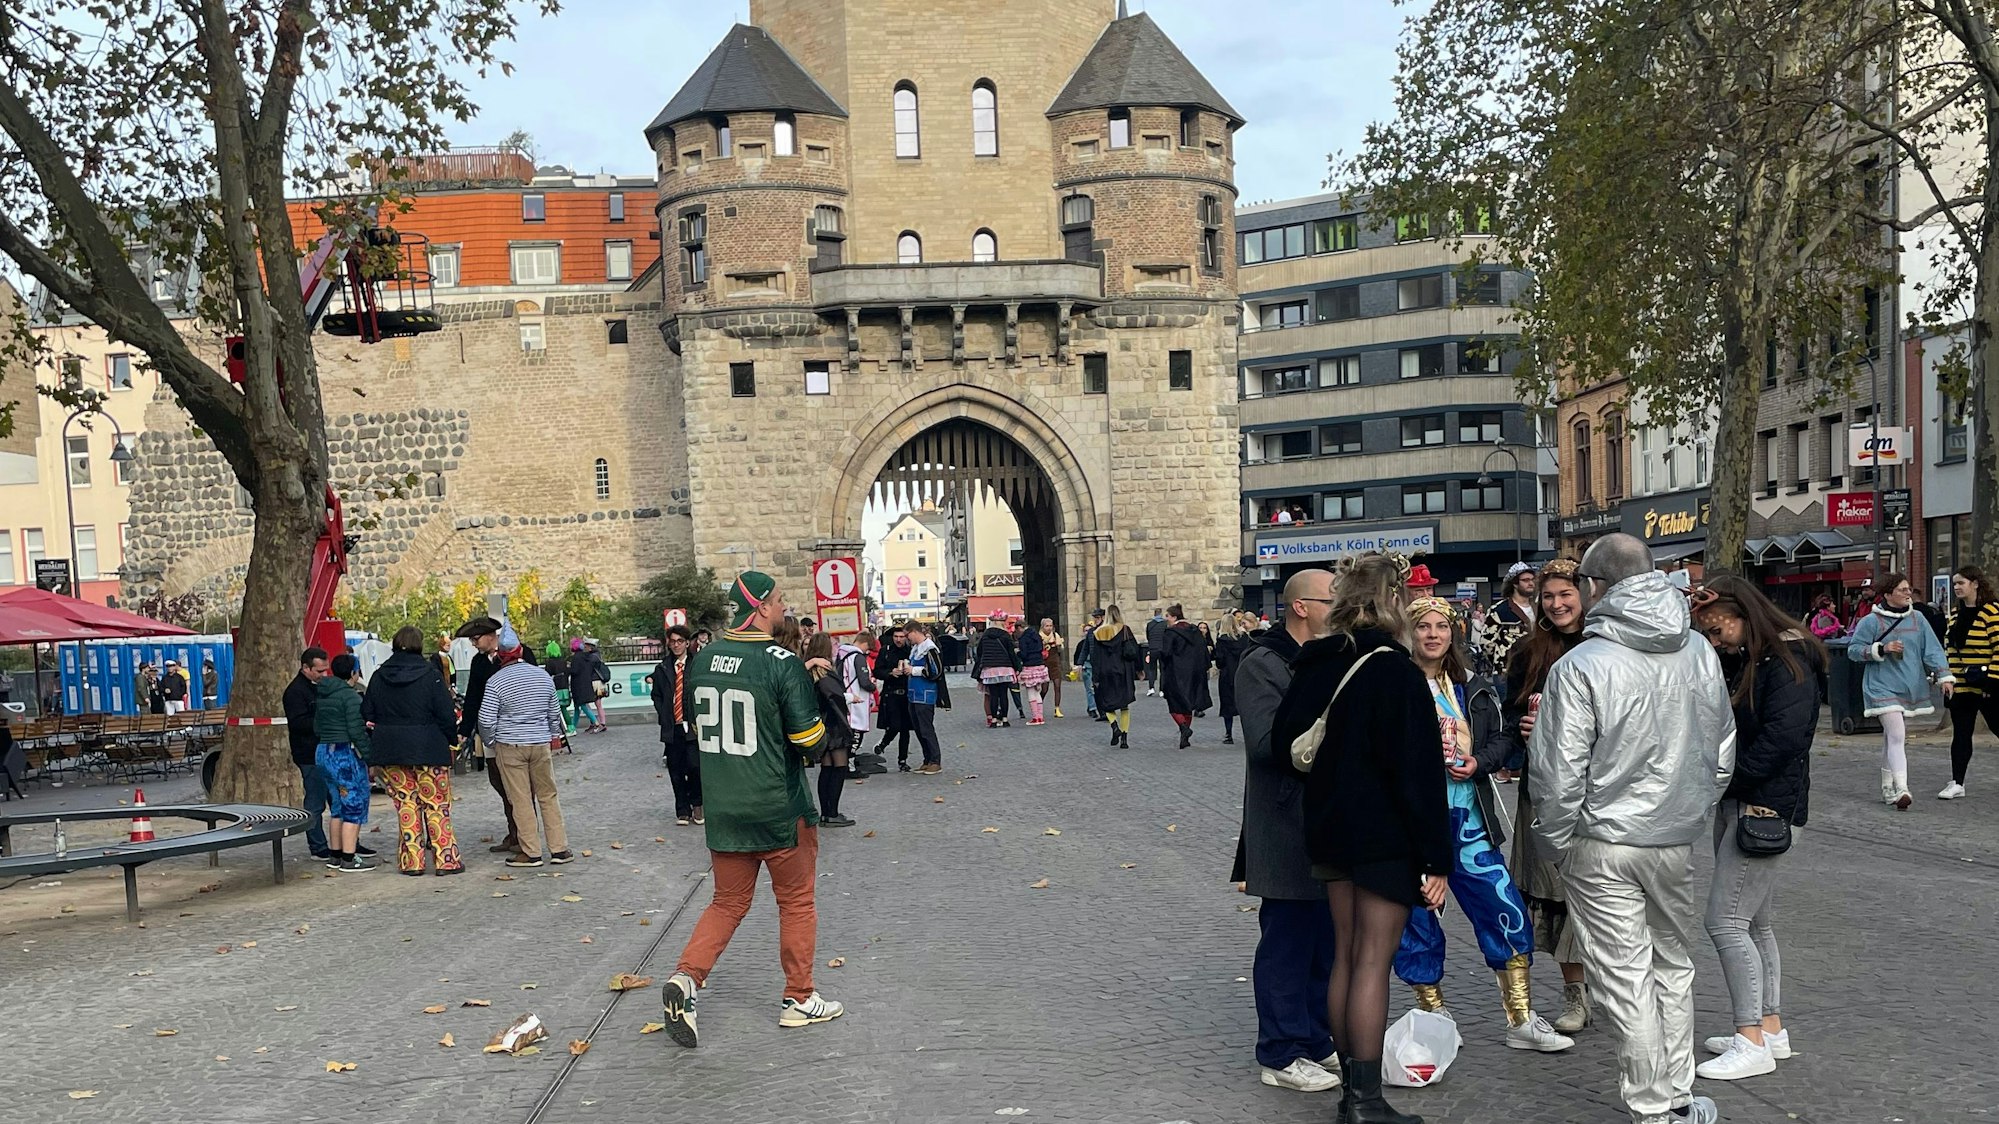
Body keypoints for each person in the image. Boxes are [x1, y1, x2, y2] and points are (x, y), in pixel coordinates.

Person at [1531, 533, 1736, 1124]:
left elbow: (1557, 774)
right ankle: (1675, 1095)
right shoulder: (1697, 650)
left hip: (1602, 841)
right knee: (1673, 965)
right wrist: (1690, 811)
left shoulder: (1582, 665)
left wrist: (1556, 845)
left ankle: (1651, 1106)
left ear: (1596, 587)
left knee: (1625, 976)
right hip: (1672, 840)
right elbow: (1722, 746)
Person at [1274, 554, 1451, 1124]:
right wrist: (1436, 859)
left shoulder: (1317, 662)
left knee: (1347, 957)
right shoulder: (1394, 670)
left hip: (1329, 829)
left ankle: (1353, 1089)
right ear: (1393, 600)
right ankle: (1365, 1102)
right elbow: (1418, 773)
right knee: (1373, 960)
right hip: (1384, 834)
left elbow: (1285, 746)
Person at [659, 571, 842, 1047]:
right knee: (797, 902)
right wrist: (826, 719)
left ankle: (687, 978)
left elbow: (697, 728)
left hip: (725, 807)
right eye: (779, 601)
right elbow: (808, 742)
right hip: (779, 806)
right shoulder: (781, 661)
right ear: (760, 606)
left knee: (727, 902)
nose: (784, 608)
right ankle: (800, 998)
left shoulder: (700, 661)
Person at [1397, 596, 1573, 1052]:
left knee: (1504, 907)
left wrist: (1477, 763)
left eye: (1441, 626)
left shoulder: (1473, 686)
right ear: (1409, 633)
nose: (1433, 634)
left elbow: (1502, 739)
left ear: (1453, 633)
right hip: (1414, 822)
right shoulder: (1395, 683)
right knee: (1418, 921)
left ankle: (1520, 1019)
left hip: (1468, 817)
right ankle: (1434, 1019)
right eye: (1423, 627)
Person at [1688, 576, 1819, 1081]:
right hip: (1756, 802)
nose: (1716, 641)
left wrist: (1723, 782)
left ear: (1744, 613)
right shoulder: (1759, 657)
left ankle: (1750, 1039)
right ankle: (1769, 1028)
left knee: (1726, 922)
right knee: (1756, 924)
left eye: (1718, 630)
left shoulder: (1786, 662)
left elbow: (1782, 741)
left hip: (1763, 806)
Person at [1234, 568, 1342, 1093]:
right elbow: (1264, 743)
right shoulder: (1264, 662)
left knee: (1327, 939)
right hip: (1283, 824)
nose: (1339, 607)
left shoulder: (1329, 656)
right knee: (1287, 942)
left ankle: (1317, 1039)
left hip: (1328, 819)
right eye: (1330, 599)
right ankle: (1280, 1051)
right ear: (1301, 607)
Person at [1499, 558, 1592, 1034]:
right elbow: (1511, 723)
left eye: (1565, 595)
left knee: (1601, 889)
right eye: (1549, 597)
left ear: (1585, 595)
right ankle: (1575, 991)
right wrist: (1523, 729)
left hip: (1601, 788)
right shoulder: (1528, 652)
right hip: (1545, 788)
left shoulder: (1607, 645)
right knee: (1556, 893)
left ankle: (1616, 985)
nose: (1557, 604)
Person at [363, 625, 464, 876]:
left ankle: (412, 862)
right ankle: (445, 860)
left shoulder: (379, 676)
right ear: (419, 645)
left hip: (391, 749)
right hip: (429, 747)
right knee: (436, 804)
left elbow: (366, 713)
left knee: (406, 804)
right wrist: (452, 740)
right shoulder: (431, 675)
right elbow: (445, 714)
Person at [1847, 572, 1954, 809]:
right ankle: (1903, 789)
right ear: (1887, 594)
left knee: (1890, 738)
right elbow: (1853, 650)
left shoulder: (1918, 619)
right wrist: (1881, 649)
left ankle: (1888, 786)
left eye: (1908, 589)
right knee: (1897, 734)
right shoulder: (1871, 622)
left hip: (1908, 685)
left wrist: (1944, 675)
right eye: (1903, 590)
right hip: (1880, 685)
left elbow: (1932, 650)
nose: (1908, 593)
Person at [478, 626, 573, 868]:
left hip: (510, 744)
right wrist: (552, 735)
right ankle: (559, 849)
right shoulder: (542, 677)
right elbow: (554, 712)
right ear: (520, 651)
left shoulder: (495, 681)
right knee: (548, 796)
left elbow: (486, 719)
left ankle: (531, 852)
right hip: (540, 744)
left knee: (520, 799)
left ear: (500, 655)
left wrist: (491, 741)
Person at [456, 617, 520, 855]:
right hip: (492, 731)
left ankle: (523, 834)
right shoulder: (478, 662)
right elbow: (473, 697)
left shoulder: (519, 654)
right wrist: (465, 730)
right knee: (499, 782)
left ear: (491, 635)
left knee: (520, 785)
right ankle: (514, 832)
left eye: (476, 639)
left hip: (518, 731)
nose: (473, 644)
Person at [313, 652, 376, 872]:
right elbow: (356, 732)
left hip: (323, 751)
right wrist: (370, 757)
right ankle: (350, 859)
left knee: (337, 806)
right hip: (343, 753)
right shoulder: (350, 697)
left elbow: (317, 728)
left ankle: (336, 855)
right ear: (353, 672)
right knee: (354, 803)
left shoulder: (323, 693)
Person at [1941, 566, 1999, 799]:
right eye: (1954, 583)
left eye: (1961, 583)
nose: (1956, 587)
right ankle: (1957, 782)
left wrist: (1993, 680)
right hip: (1963, 686)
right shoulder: (1955, 614)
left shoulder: (1992, 611)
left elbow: (1998, 647)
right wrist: (1952, 678)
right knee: (1961, 734)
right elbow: (1951, 648)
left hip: (1989, 685)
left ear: (1975, 584)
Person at [648, 626, 702, 826]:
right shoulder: (662, 668)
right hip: (672, 726)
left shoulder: (697, 665)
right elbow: (657, 695)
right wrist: (664, 713)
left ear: (687, 643)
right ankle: (682, 809)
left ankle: (698, 803)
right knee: (676, 769)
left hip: (694, 725)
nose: (676, 645)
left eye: (680, 641)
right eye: (673, 641)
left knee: (695, 766)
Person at [283, 648, 334, 859]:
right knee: (315, 801)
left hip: (328, 751)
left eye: (325, 671)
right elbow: (298, 724)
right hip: (309, 753)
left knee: (337, 799)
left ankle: (348, 843)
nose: (323, 675)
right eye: (319, 671)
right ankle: (318, 846)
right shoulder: (295, 692)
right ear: (306, 668)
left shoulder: (323, 687)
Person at [803, 632, 857, 828]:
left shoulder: (811, 671)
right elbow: (834, 698)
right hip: (833, 725)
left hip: (821, 724)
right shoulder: (824, 671)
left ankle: (826, 812)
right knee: (839, 767)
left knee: (827, 768)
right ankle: (831, 812)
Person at [1092, 606, 1144, 748]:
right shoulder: (1125, 630)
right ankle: (1125, 739)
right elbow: (1135, 650)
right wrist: (1139, 669)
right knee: (1124, 704)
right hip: (1123, 669)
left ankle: (1115, 727)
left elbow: (1095, 657)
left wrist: (1095, 677)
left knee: (1107, 702)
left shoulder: (1098, 633)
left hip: (1105, 671)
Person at [1158, 604, 1207, 748]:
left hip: (1175, 672)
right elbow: (1202, 650)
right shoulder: (1194, 630)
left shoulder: (1171, 633)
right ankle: (1184, 737)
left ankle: (1184, 727)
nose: (1166, 619)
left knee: (1173, 703)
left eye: (1167, 616)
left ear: (1174, 617)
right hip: (1194, 672)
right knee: (1188, 704)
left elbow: (1166, 653)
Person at [904, 621, 950, 773]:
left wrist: (914, 670)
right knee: (918, 729)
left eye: (907, 635)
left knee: (926, 729)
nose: (906, 638)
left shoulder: (930, 649)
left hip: (925, 695)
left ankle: (935, 760)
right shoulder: (916, 649)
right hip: (914, 695)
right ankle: (927, 759)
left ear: (914, 632)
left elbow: (935, 671)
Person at [872, 624, 914, 770]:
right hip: (892, 694)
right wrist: (890, 673)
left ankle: (902, 760)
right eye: (896, 636)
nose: (898, 639)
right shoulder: (886, 651)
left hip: (907, 693)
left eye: (901, 637)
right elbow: (877, 671)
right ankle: (883, 743)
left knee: (905, 729)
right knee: (894, 725)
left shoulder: (911, 650)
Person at [972, 613, 1020, 728]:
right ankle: (1004, 719)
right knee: (1003, 694)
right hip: (1005, 667)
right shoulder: (1005, 635)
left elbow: (979, 652)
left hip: (990, 669)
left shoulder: (985, 635)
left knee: (993, 695)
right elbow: (1011, 653)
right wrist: (1017, 667)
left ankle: (993, 720)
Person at [1212, 614, 1251, 745]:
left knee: (1227, 704)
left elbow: (1220, 661)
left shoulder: (1221, 640)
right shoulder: (1244, 638)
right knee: (1244, 705)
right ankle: (1248, 732)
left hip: (1227, 675)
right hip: (1242, 673)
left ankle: (1228, 733)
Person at [841, 631, 879, 761]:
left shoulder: (842, 653)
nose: (867, 652)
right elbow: (864, 682)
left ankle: (846, 762)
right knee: (856, 732)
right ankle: (850, 765)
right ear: (864, 643)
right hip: (857, 700)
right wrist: (873, 686)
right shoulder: (858, 657)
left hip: (845, 697)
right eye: (867, 648)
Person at [571, 638, 612, 733]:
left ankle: (600, 723)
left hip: (594, 681)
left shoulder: (591, 657)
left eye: (585, 646)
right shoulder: (595, 656)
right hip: (596, 681)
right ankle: (598, 723)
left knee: (596, 703)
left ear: (590, 647)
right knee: (595, 704)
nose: (583, 648)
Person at [1015, 619, 1048, 724]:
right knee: (1038, 692)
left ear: (1020, 627)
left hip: (1029, 666)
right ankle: (1040, 717)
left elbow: (1024, 654)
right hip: (1040, 665)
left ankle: (1035, 717)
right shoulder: (1036, 635)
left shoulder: (1024, 638)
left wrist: (1018, 653)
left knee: (1031, 692)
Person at [1074, 608, 1105, 719]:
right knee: (1093, 688)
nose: (1096, 620)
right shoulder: (1092, 633)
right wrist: (1079, 663)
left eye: (1097, 618)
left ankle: (1104, 709)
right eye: (1094, 618)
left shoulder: (1108, 630)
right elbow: (1085, 649)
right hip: (1093, 664)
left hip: (1105, 664)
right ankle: (1099, 710)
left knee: (1104, 688)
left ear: (1103, 618)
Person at [544, 641, 578, 735]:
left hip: (556, 688)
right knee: (564, 709)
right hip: (565, 687)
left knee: (554, 710)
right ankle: (570, 727)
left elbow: (547, 676)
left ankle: (559, 729)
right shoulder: (564, 662)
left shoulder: (549, 663)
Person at [1038, 617, 1066, 719]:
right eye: (1047, 626)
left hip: (1055, 663)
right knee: (1044, 688)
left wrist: (1060, 645)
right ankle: (1038, 705)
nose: (1049, 628)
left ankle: (1057, 708)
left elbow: (1060, 649)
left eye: (1050, 626)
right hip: (1044, 663)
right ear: (1042, 627)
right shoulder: (1039, 637)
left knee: (1057, 686)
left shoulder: (1055, 635)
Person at [1144, 607, 1168, 696]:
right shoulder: (1165, 624)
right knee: (1163, 669)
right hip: (1162, 649)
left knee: (1151, 669)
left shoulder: (1150, 624)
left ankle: (1151, 688)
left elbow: (1148, 636)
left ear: (1154, 614)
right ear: (1161, 614)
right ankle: (1162, 690)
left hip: (1152, 648)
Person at [1194, 620, 1215, 716]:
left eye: (1204, 628)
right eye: (1200, 628)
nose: (1202, 630)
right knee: (1197, 687)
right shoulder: (1194, 640)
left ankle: (1200, 707)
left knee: (1203, 687)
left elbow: (1214, 655)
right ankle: (1198, 708)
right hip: (1196, 667)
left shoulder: (1209, 641)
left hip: (1205, 667)